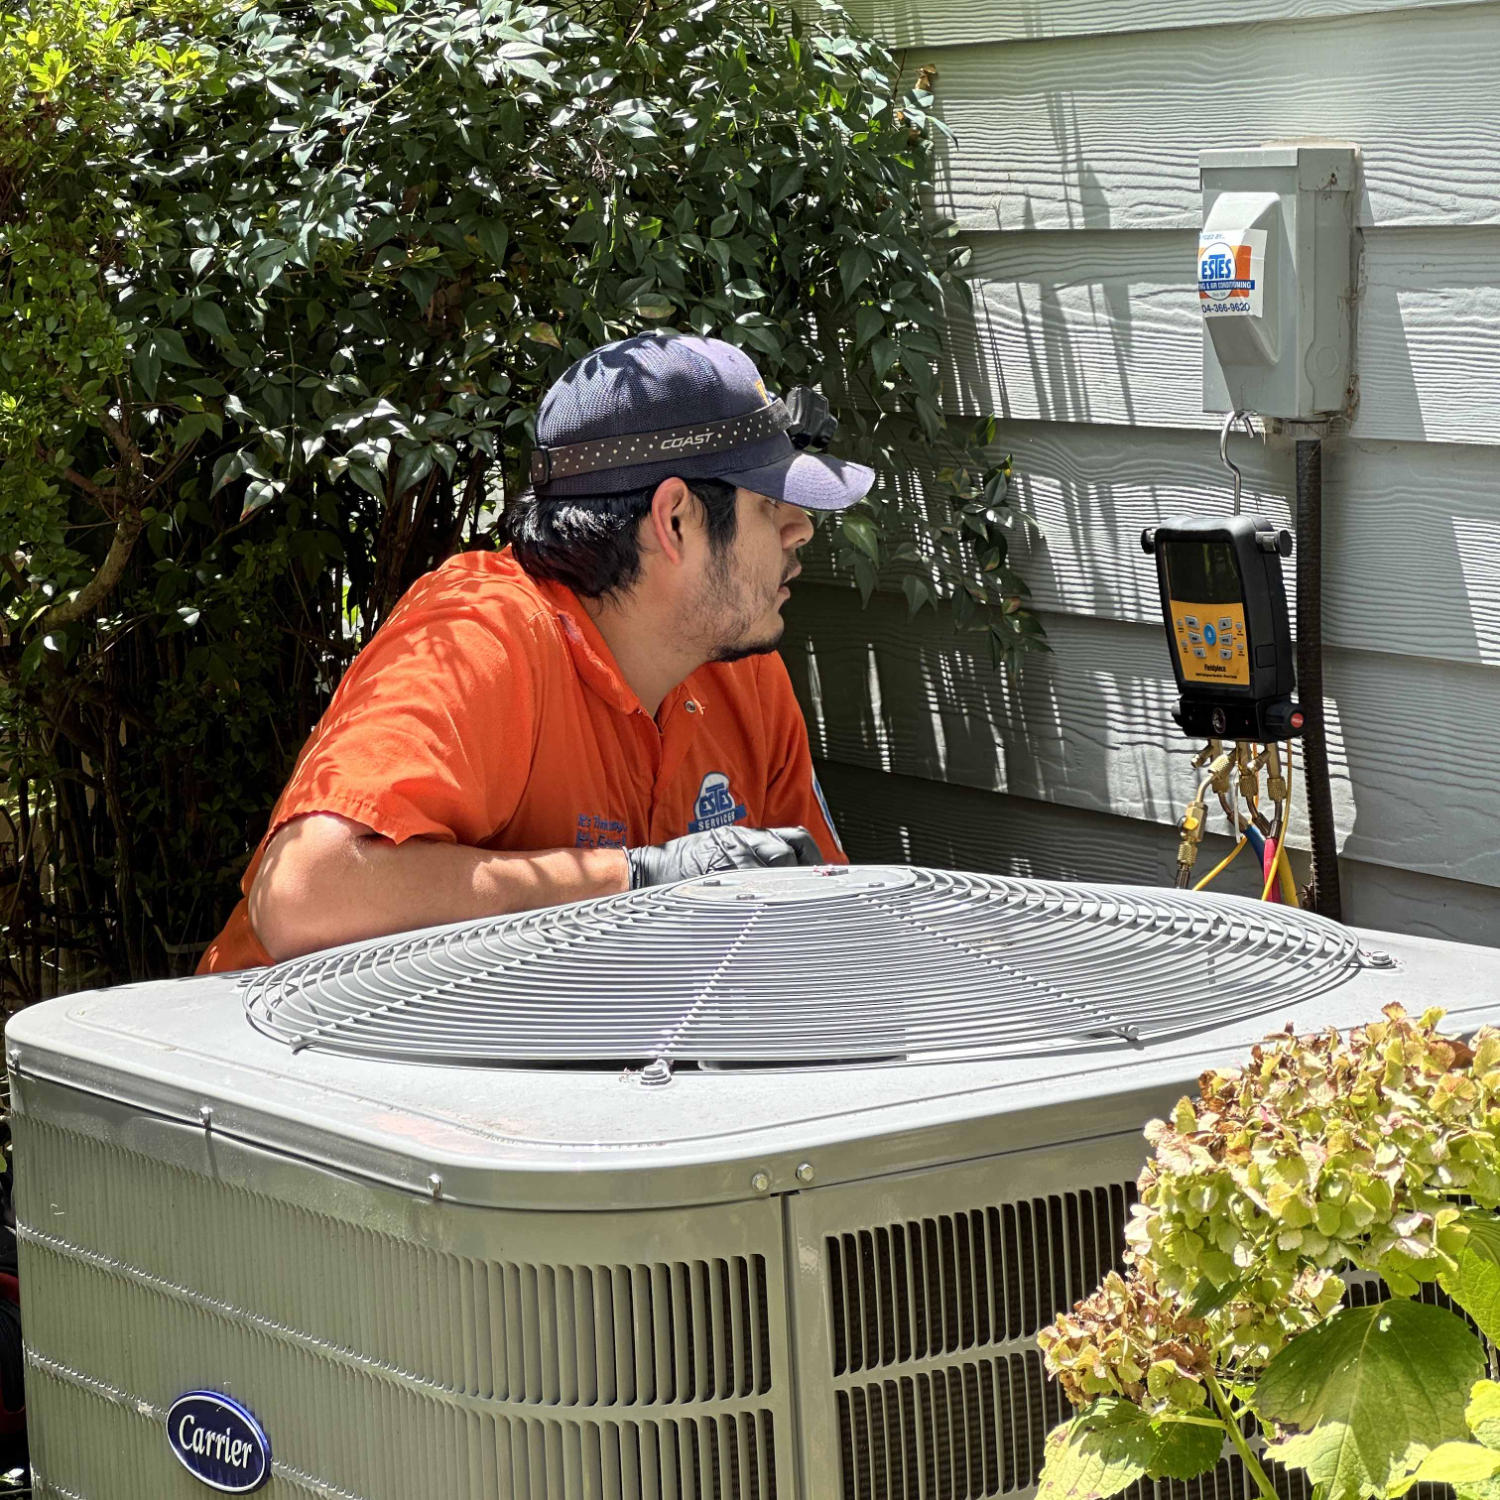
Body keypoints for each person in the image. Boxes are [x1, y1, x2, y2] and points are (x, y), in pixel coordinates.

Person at [198, 332, 874, 972]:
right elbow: (302, 893)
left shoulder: (743, 671)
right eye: (770, 504)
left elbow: (826, 918)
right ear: (674, 521)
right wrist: (637, 879)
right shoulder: (480, 637)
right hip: (282, 1044)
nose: (801, 528)